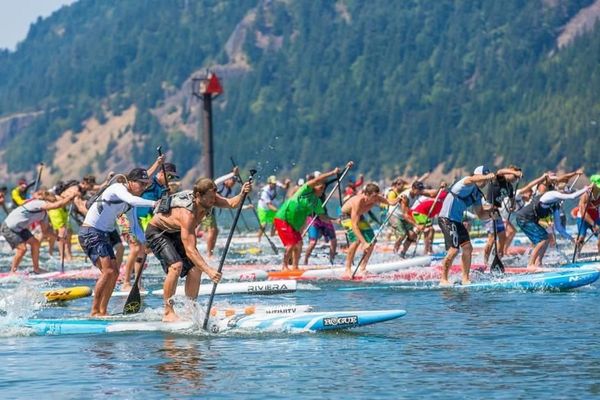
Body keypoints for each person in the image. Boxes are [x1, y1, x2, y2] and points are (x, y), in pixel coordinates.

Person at [145, 177, 252, 322]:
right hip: (157, 232)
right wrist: (210, 271)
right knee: (176, 266)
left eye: (214, 197)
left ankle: (190, 309)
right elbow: (190, 250)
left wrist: (242, 193)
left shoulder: (209, 199)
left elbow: (232, 204)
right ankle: (168, 312)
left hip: (175, 231)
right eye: (210, 198)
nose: (213, 201)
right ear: (198, 196)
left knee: (195, 268)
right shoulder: (187, 215)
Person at [79, 168, 157, 317]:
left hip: (102, 235)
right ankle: (94, 311)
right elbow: (133, 200)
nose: (143, 188)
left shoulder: (129, 204)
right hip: (90, 232)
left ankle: (103, 311)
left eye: (146, 185)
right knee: (108, 271)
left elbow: (134, 226)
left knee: (114, 273)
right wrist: (155, 204)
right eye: (141, 184)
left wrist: (145, 242)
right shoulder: (117, 188)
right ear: (131, 182)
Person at [273, 165, 350, 271]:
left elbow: (322, 217)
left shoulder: (317, 202)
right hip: (283, 219)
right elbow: (318, 179)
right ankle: (284, 266)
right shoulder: (305, 190)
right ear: (315, 186)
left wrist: (335, 220)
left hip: (294, 224)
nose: (323, 190)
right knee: (291, 244)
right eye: (321, 187)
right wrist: (332, 172)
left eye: (324, 188)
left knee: (299, 244)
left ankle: (295, 267)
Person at [121, 157, 177, 291]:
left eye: (173, 177)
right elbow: (146, 176)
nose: (171, 179)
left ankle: (137, 284)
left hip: (142, 221)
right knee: (135, 249)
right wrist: (157, 163)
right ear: (162, 173)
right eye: (169, 176)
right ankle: (126, 283)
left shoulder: (162, 187)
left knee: (142, 251)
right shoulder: (151, 183)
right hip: (126, 218)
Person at [438, 166, 496, 285]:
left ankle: (465, 279)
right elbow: (471, 179)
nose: (485, 182)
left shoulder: (477, 195)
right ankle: (443, 279)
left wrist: (491, 215)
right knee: (454, 250)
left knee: (468, 248)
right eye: (484, 179)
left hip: (457, 221)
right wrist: (486, 176)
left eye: (486, 181)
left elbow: (480, 214)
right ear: (478, 175)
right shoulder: (466, 182)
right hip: (446, 218)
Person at [1, 189, 77, 273]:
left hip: (20, 228)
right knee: (22, 249)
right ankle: (12, 272)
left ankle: (36, 269)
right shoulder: (38, 203)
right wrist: (70, 197)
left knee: (35, 243)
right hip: (9, 227)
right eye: (52, 202)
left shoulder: (43, 215)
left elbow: (46, 231)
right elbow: (57, 205)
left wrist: (58, 238)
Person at [516, 184, 589, 269]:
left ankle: (538, 263)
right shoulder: (551, 194)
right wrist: (586, 189)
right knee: (542, 239)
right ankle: (530, 264)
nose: (564, 198)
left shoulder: (555, 206)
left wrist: (572, 239)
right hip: (523, 218)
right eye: (565, 194)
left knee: (546, 238)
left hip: (531, 220)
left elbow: (559, 228)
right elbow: (572, 196)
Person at [341, 181, 398, 278]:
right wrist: (364, 242)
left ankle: (362, 268)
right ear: (366, 194)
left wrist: (399, 198)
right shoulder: (358, 201)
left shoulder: (376, 197)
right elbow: (354, 225)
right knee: (356, 240)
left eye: (377, 196)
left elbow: (390, 202)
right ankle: (347, 269)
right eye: (374, 196)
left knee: (372, 241)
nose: (376, 199)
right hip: (347, 217)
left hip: (360, 216)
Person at [481, 166, 523, 266]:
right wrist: (515, 172)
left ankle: (498, 260)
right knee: (492, 238)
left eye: (517, 178)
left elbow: (512, 198)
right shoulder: (499, 179)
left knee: (503, 237)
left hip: (497, 212)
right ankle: (485, 263)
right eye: (515, 176)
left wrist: (512, 205)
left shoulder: (510, 186)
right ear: (510, 173)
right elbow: (500, 171)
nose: (516, 179)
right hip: (489, 210)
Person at [303, 171, 339, 265]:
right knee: (313, 242)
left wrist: (343, 171)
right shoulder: (310, 189)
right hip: (313, 218)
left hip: (324, 216)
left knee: (333, 240)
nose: (322, 188)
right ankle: (305, 261)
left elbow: (335, 179)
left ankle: (332, 260)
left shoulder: (323, 185)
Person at [203, 167, 239, 258]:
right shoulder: (219, 185)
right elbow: (217, 180)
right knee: (212, 230)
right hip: (204, 209)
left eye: (235, 182)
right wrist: (233, 174)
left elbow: (231, 203)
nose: (233, 183)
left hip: (211, 211)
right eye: (232, 181)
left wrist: (245, 206)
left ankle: (210, 252)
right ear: (227, 180)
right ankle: (209, 254)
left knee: (215, 231)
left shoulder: (230, 191)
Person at [256, 175, 288, 243]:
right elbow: (269, 205)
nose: (274, 185)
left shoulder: (276, 184)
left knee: (276, 221)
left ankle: (272, 237)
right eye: (272, 184)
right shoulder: (265, 192)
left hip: (269, 208)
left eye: (274, 183)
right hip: (263, 208)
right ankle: (258, 240)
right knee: (264, 224)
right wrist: (279, 211)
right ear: (269, 183)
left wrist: (287, 183)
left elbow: (285, 187)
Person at [574, 174, 600, 257]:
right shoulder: (585, 195)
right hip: (583, 217)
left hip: (595, 216)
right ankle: (577, 252)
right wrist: (594, 224)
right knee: (581, 237)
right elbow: (583, 213)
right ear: (593, 185)